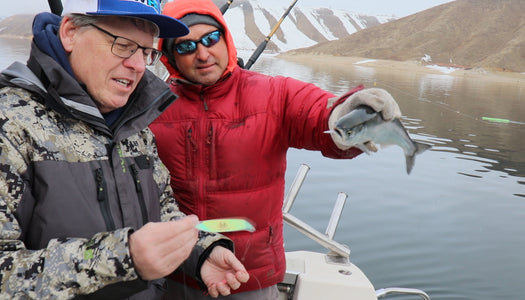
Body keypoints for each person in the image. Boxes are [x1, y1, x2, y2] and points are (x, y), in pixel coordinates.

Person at [0, 0, 250, 299]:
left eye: (146, 51)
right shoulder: (5, 124)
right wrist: (125, 258)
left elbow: (162, 212)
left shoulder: (135, 124)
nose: (139, 65)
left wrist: (200, 252)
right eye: (124, 45)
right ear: (70, 33)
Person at [149, 0, 402, 298]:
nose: (203, 54)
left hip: (250, 276)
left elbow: (317, 112)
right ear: (169, 57)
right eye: (186, 47)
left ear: (225, 38)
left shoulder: (274, 94)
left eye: (210, 39)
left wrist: (347, 113)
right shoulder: (151, 107)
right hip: (176, 272)